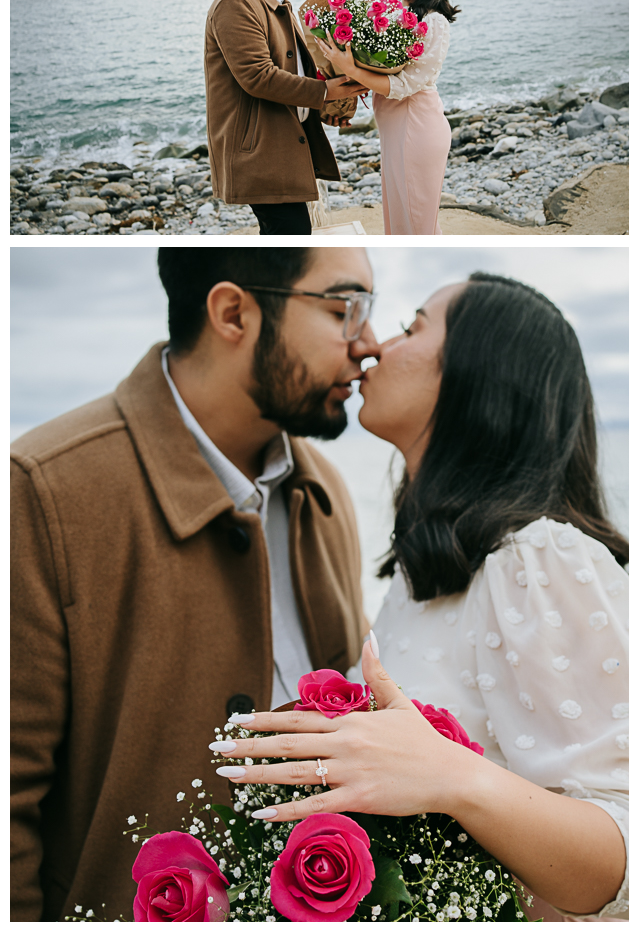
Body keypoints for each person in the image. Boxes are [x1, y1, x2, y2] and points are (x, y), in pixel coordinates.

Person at [211, 272, 629, 923]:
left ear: (476, 375)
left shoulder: (538, 558)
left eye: (411, 327)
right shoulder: (431, 571)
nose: (374, 347)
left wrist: (452, 776)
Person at [10, 247, 380, 922]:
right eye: (343, 309)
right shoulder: (41, 491)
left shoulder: (325, 493)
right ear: (232, 312)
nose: (371, 343)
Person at [204, 0, 367, 235]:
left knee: (287, 236)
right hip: (259, 151)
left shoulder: (273, 2)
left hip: (278, 143)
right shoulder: (236, 3)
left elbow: (295, 70)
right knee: (290, 235)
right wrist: (326, 92)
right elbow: (258, 77)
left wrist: (326, 106)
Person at [318, 0, 459, 235]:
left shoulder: (434, 23)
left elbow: (404, 85)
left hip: (416, 128)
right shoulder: (396, 14)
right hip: (395, 131)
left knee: (416, 225)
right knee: (399, 222)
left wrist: (349, 67)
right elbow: (379, 73)